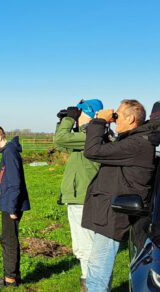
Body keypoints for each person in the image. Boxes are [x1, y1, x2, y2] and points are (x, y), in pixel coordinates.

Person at [82, 99, 156, 291]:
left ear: (131, 118)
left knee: (97, 275)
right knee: (97, 270)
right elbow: (105, 152)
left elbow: (92, 151)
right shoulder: (133, 141)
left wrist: (99, 123)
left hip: (114, 216)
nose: (114, 120)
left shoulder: (138, 144)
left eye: (118, 116)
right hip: (110, 212)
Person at [54, 99, 103, 291]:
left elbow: (60, 140)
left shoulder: (91, 136)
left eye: (78, 114)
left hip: (82, 197)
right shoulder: (87, 136)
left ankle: (91, 285)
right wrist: (63, 122)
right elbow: (63, 145)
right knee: (85, 245)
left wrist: (68, 121)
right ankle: (89, 282)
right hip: (81, 196)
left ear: (89, 114)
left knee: (86, 246)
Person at [0, 125, 30, 287]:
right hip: (10, 202)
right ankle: (13, 276)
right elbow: (11, 176)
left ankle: (10, 280)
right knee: (9, 239)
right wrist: (0, 175)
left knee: (9, 241)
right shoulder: (8, 151)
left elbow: (16, 183)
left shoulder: (9, 152)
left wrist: (12, 209)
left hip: (12, 205)